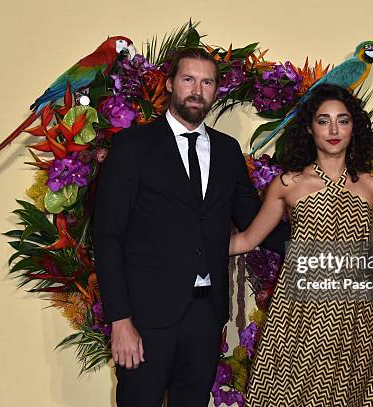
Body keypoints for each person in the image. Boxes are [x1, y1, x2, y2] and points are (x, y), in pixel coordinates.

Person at [93, 48, 289, 407]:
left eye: (207, 82)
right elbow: (107, 237)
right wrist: (121, 320)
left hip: (205, 315)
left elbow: (254, 220)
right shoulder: (132, 146)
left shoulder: (228, 151)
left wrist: (317, 249)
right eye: (188, 79)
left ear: (216, 90)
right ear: (170, 84)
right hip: (145, 316)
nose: (197, 90)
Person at [230, 84, 373, 406]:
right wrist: (184, 244)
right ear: (309, 127)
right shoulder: (289, 184)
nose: (333, 130)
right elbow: (248, 240)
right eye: (323, 121)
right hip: (296, 316)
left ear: (353, 128)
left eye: (342, 120)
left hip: (354, 320)